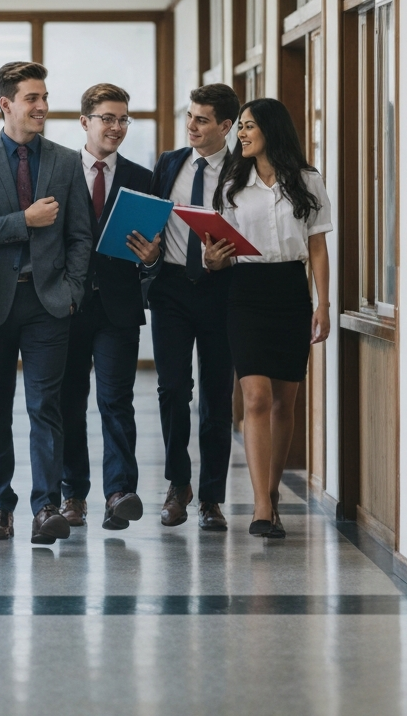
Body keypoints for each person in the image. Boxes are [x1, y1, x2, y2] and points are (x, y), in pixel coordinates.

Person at [0, 61, 92, 545]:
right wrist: (23, 220)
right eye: (32, 98)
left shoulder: (66, 160)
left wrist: (72, 290)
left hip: (50, 301)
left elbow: (80, 235)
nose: (43, 107)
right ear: (6, 104)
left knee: (45, 408)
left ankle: (45, 507)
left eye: (46, 97)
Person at [205, 97, 332, 539]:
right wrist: (211, 259)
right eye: (239, 126)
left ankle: (273, 492)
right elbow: (217, 249)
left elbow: (317, 246)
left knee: (285, 401)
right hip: (245, 291)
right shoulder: (231, 184)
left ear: (271, 130)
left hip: (291, 292)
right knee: (256, 396)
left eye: (248, 126)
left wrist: (323, 304)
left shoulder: (307, 181)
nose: (240, 134)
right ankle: (261, 505)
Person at [134, 84, 240, 531]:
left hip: (223, 291)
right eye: (190, 117)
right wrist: (150, 255)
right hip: (172, 290)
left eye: (201, 119)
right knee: (173, 389)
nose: (191, 126)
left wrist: (229, 256)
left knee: (217, 396)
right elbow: (154, 221)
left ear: (226, 126)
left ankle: (212, 498)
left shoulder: (245, 171)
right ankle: (179, 485)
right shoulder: (169, 163)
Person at [59, 83, 153, 531]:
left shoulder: (141, 177)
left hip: (118, 306)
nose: (116, 127)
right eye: (107, 118)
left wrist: (151, 259)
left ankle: (119, 493)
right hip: (68, 305)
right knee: (68, 402)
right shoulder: (60, 171)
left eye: (123, 119)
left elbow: (154, 248)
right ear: (85, 122)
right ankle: (72, 494)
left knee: (117, 401)